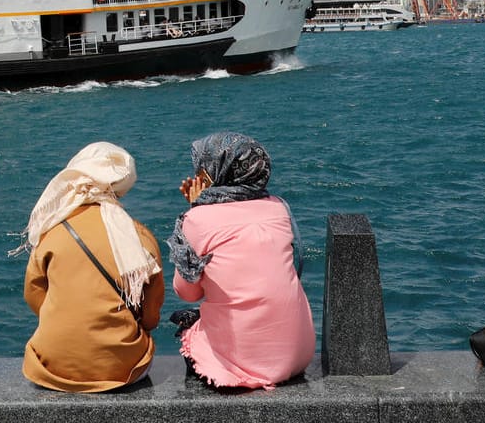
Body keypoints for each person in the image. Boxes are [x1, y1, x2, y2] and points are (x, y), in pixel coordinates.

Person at [166, 133, 314, 389]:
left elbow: (186, 292)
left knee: (185, 321)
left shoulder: (198, 220)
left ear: (216, 171)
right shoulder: (279, 208)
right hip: (298, 356)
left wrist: (194, 210)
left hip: (239, 366)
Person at [19, 142, 164, 392]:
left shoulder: (51, 232)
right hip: (123, 370)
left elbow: (34, 296)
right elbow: (151, 318)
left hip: (50, 367)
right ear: (122, 186)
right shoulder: (138, 236)